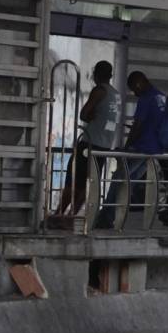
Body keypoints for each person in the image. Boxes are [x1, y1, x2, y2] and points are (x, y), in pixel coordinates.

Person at [94, 71, 168, 229]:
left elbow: (138, 125)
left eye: (133, 89)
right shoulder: (162, 97)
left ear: (139, 83)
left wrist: (127, 147)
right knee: (130, 182)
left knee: (119, 179)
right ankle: (113, 215)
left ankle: (106, 216)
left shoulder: (146, 98)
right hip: (155, 148)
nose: (134, 93)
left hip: (142, 147)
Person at [54, 61, 121, 219]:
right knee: (87, 182)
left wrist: (92, 117)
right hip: (104, 146)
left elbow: (84, 114)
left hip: (89, 143)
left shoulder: (99, 90)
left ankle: (58, 215)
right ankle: (72, 216)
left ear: (95, 74)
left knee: (73, 179)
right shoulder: (116, 95)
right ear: (110, 75)